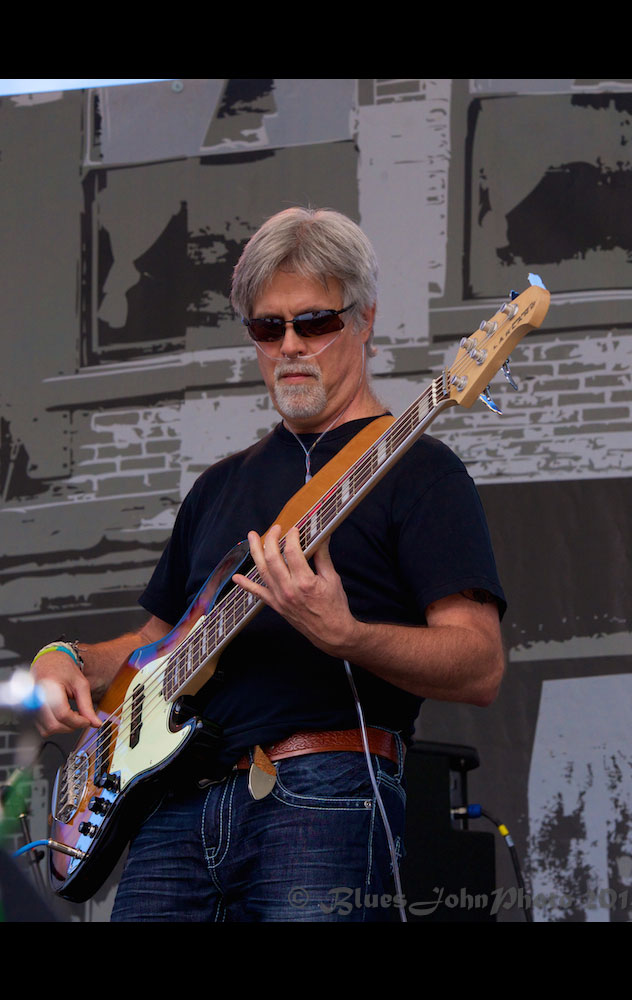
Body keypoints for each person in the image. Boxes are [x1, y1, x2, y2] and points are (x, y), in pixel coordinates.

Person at [31, 207, 506, 922]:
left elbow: (480, 665)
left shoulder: (422, 472)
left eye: (314, 322)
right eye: (267, 327)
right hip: (173, 809)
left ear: (365, 321)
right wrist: (65, 656)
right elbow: (153, 648)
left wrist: (347, 635)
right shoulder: (217, 486)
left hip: (322, 792)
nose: (289, 345)